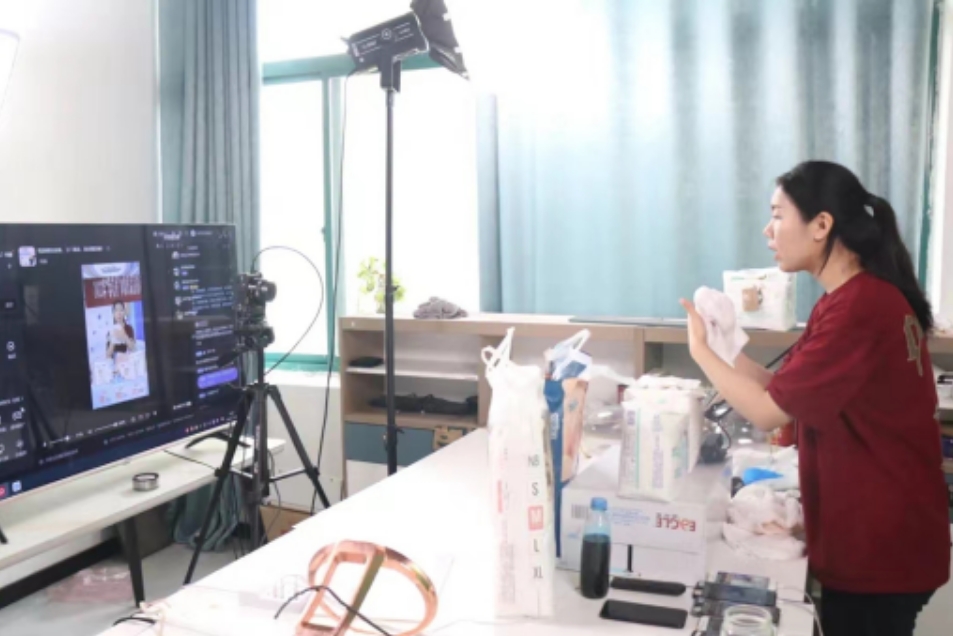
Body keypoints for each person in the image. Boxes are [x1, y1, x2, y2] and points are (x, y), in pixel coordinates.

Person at [681, 161, 950, 636]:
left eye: (778, 215)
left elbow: (767, 412)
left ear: (822, 224)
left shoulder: (859, 308)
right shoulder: (851, 298)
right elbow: (782, 389)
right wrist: (727, 343)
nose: (768, 230)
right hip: (886, 535)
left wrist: (700, 352)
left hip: (881, 549)